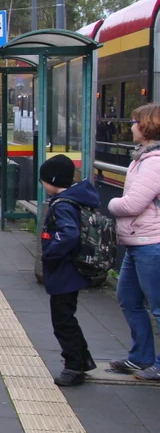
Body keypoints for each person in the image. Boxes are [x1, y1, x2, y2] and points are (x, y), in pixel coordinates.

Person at [106, 103, 160, 380]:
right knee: (128, 298)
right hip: (138, 242)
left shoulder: (154, 161)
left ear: (147, 126)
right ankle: (140, 357)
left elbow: (132, 203)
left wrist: (112, 204)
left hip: (152, 243)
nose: (130, 126)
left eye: (134, 121)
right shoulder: (142, 157)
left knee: (158, 306)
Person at [38, 154, 98, 386]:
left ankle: (73, 366)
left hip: (64, 271)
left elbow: (68, 234)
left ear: (52, 180)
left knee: (63, 321)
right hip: (71, 271)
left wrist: (50, 252)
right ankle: (82, 360)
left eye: (44, 180)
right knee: (67, 318)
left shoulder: (62, 205)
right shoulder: (75, 199)